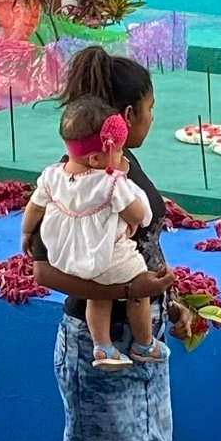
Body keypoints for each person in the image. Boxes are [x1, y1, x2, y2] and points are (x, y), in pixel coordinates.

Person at [25, 47, 194, 441]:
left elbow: (141, 245)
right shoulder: (69, 182)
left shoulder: (125, 167)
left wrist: (169, 302)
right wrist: (127, 291)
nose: (153, 117)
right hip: (98, 345)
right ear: (128, 114)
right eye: (151, 107)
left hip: (142, 335)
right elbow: (43, 270)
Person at [26, 100, 159, 368]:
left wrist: (26, 232)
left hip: (68, 256)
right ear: (96, 159)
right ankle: (144, 343)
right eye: (118, 151)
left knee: (98, 297)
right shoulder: (110, 183)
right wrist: (133, 212)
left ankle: (103, 347)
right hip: (106, 256)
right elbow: (137, 215)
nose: (121, 157)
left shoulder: (52, 176)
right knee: (140, 287)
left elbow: (34, 207)